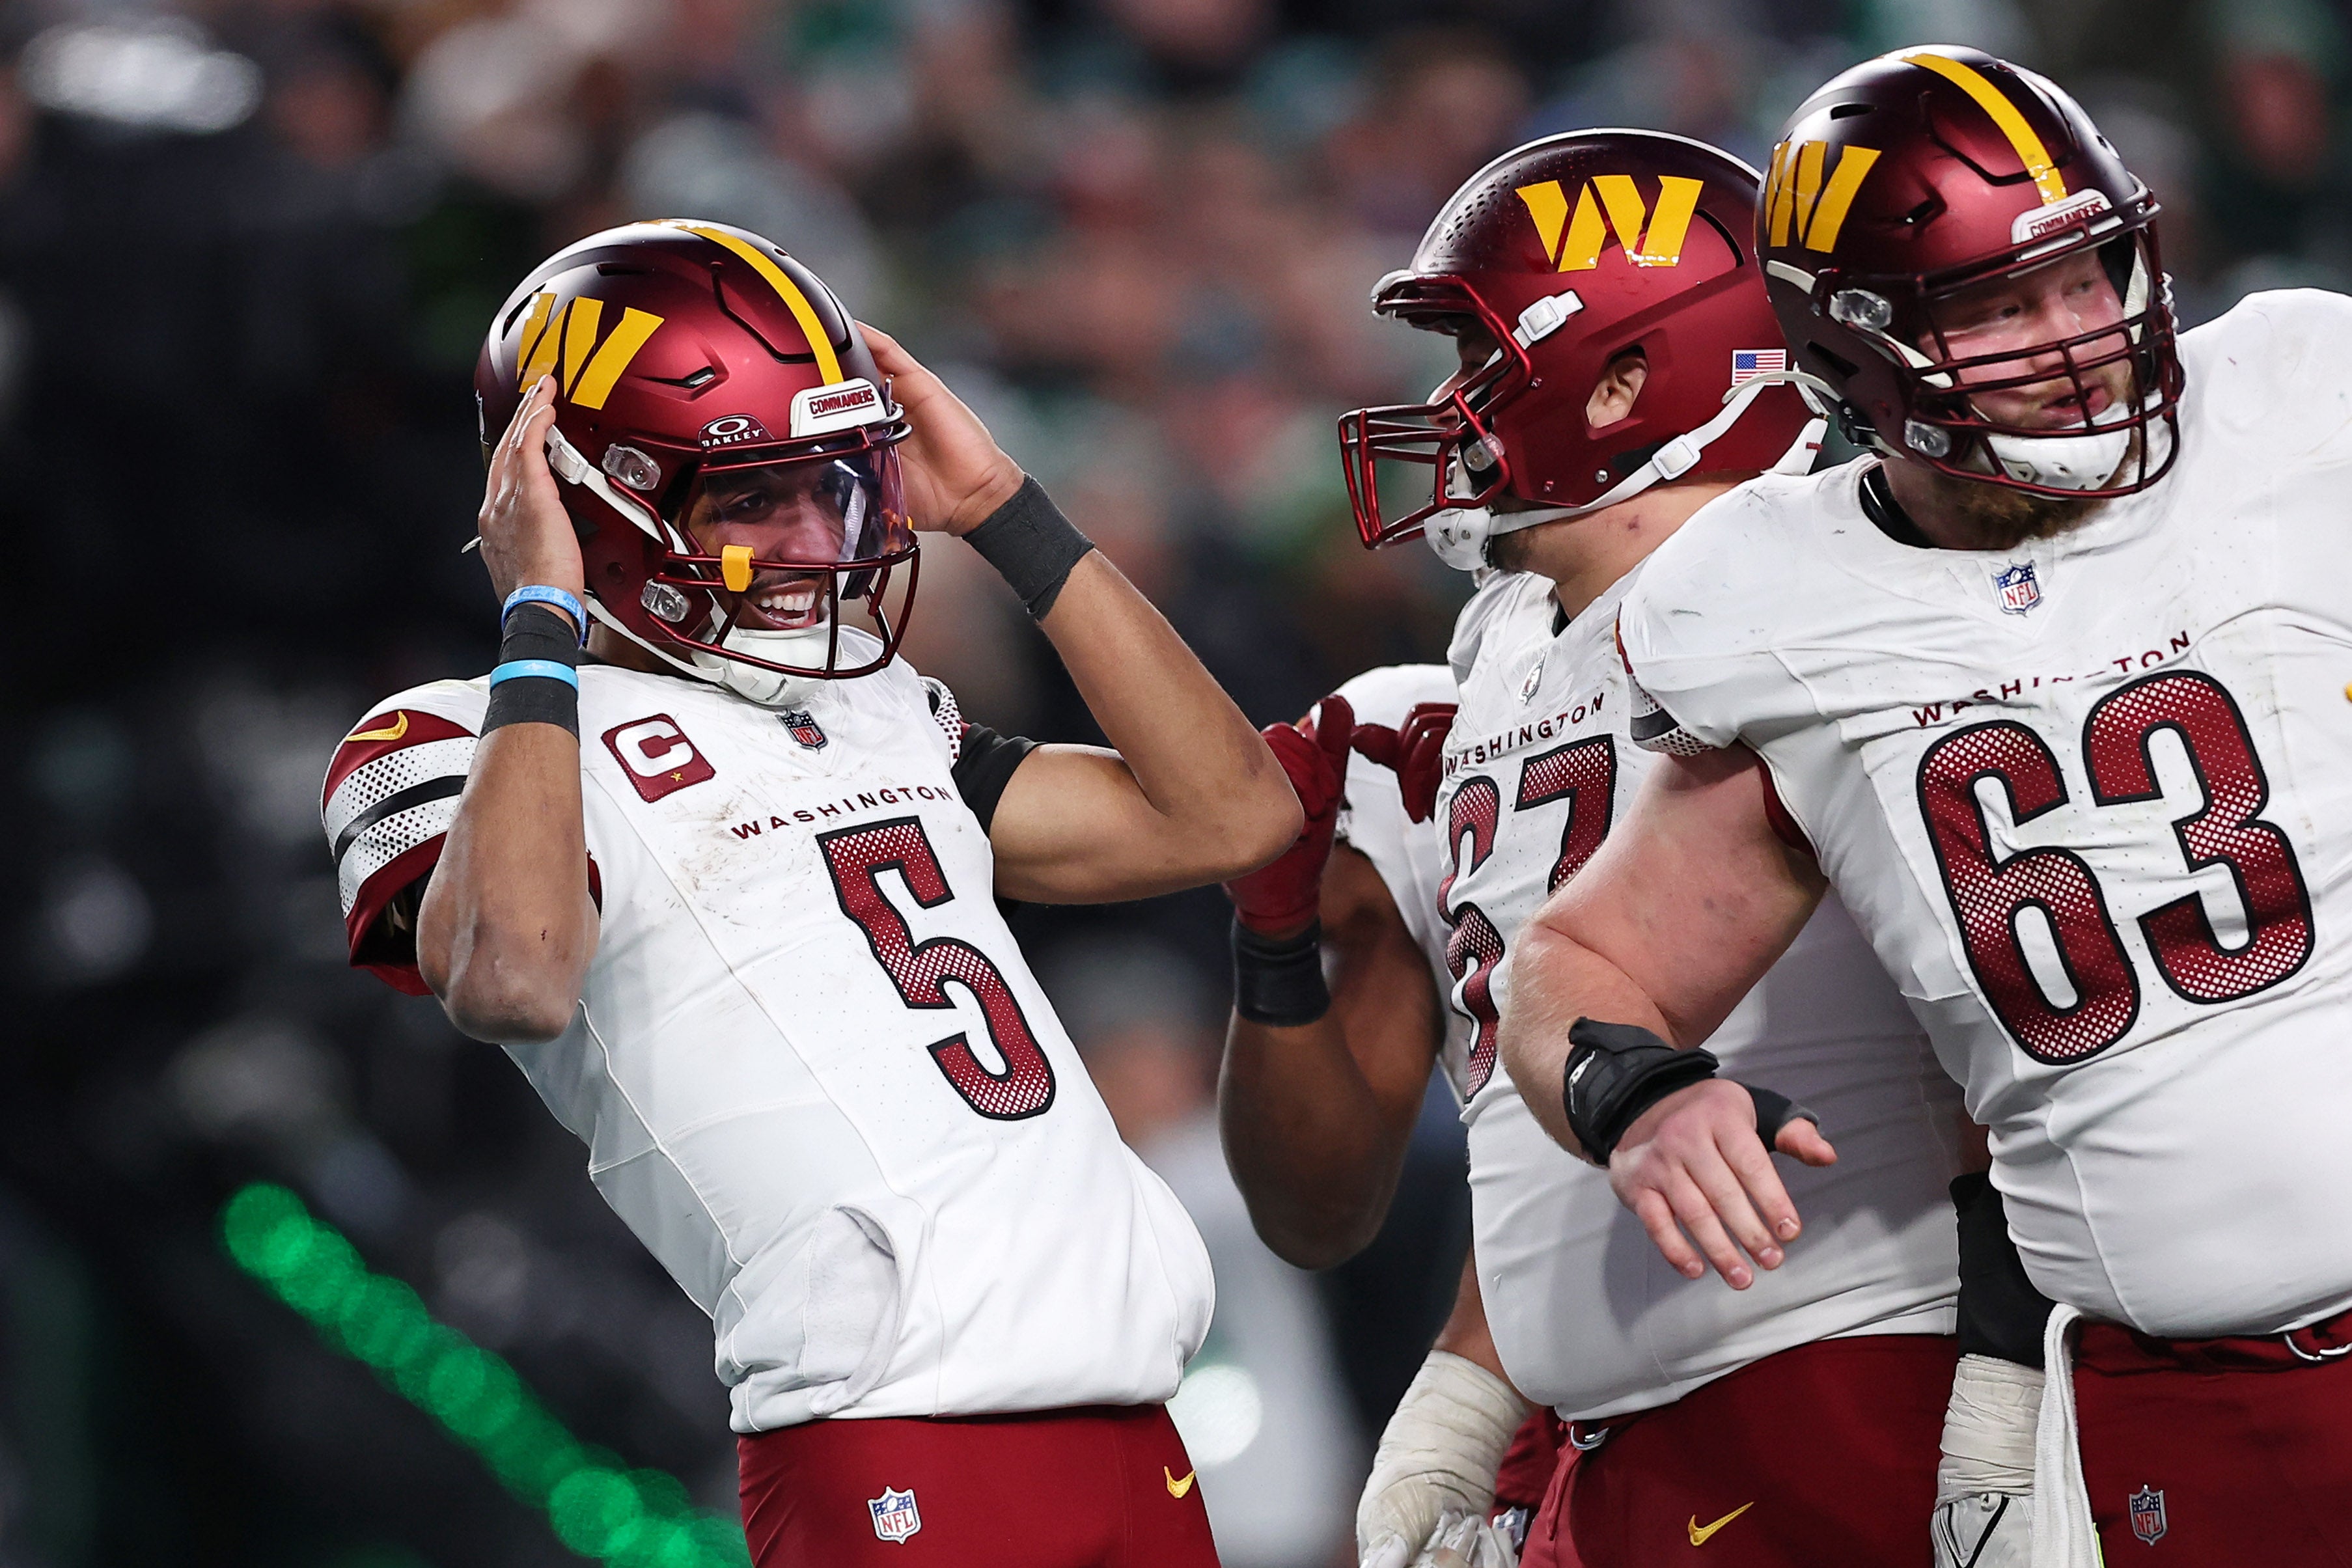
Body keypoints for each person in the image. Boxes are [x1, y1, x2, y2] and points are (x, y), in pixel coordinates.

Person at [318, 219, 1303, 1567]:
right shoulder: (449, 737)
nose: (809, 538)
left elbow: (1232, 811)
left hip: (1137, 1424)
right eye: (749, 497)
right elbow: (516, 974)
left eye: (830, 484)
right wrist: (538, 624)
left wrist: (1014, 512)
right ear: (581, 498)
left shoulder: (872, 704)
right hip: (896, 1434)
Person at [1501, 46, 2352, 1567]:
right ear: (1855, 344)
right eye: (2000, 305)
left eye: (2089, 276)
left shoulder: (2292, 397)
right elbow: (1577, 973)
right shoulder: (1761, 601)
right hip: (2182, 1400)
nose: (2078, 336)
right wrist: (1639, 1095)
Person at [1221, 131, 1970, 1568]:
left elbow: (1986, 1015)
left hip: (1835, 1362)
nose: (1450, 408)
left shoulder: (1823, 587)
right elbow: (1554, 1106)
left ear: (1626, 377)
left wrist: (2003, 1365)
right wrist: (1477, 1382)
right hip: (1624, 1422)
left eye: (1481, 361)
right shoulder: (1502, 644)